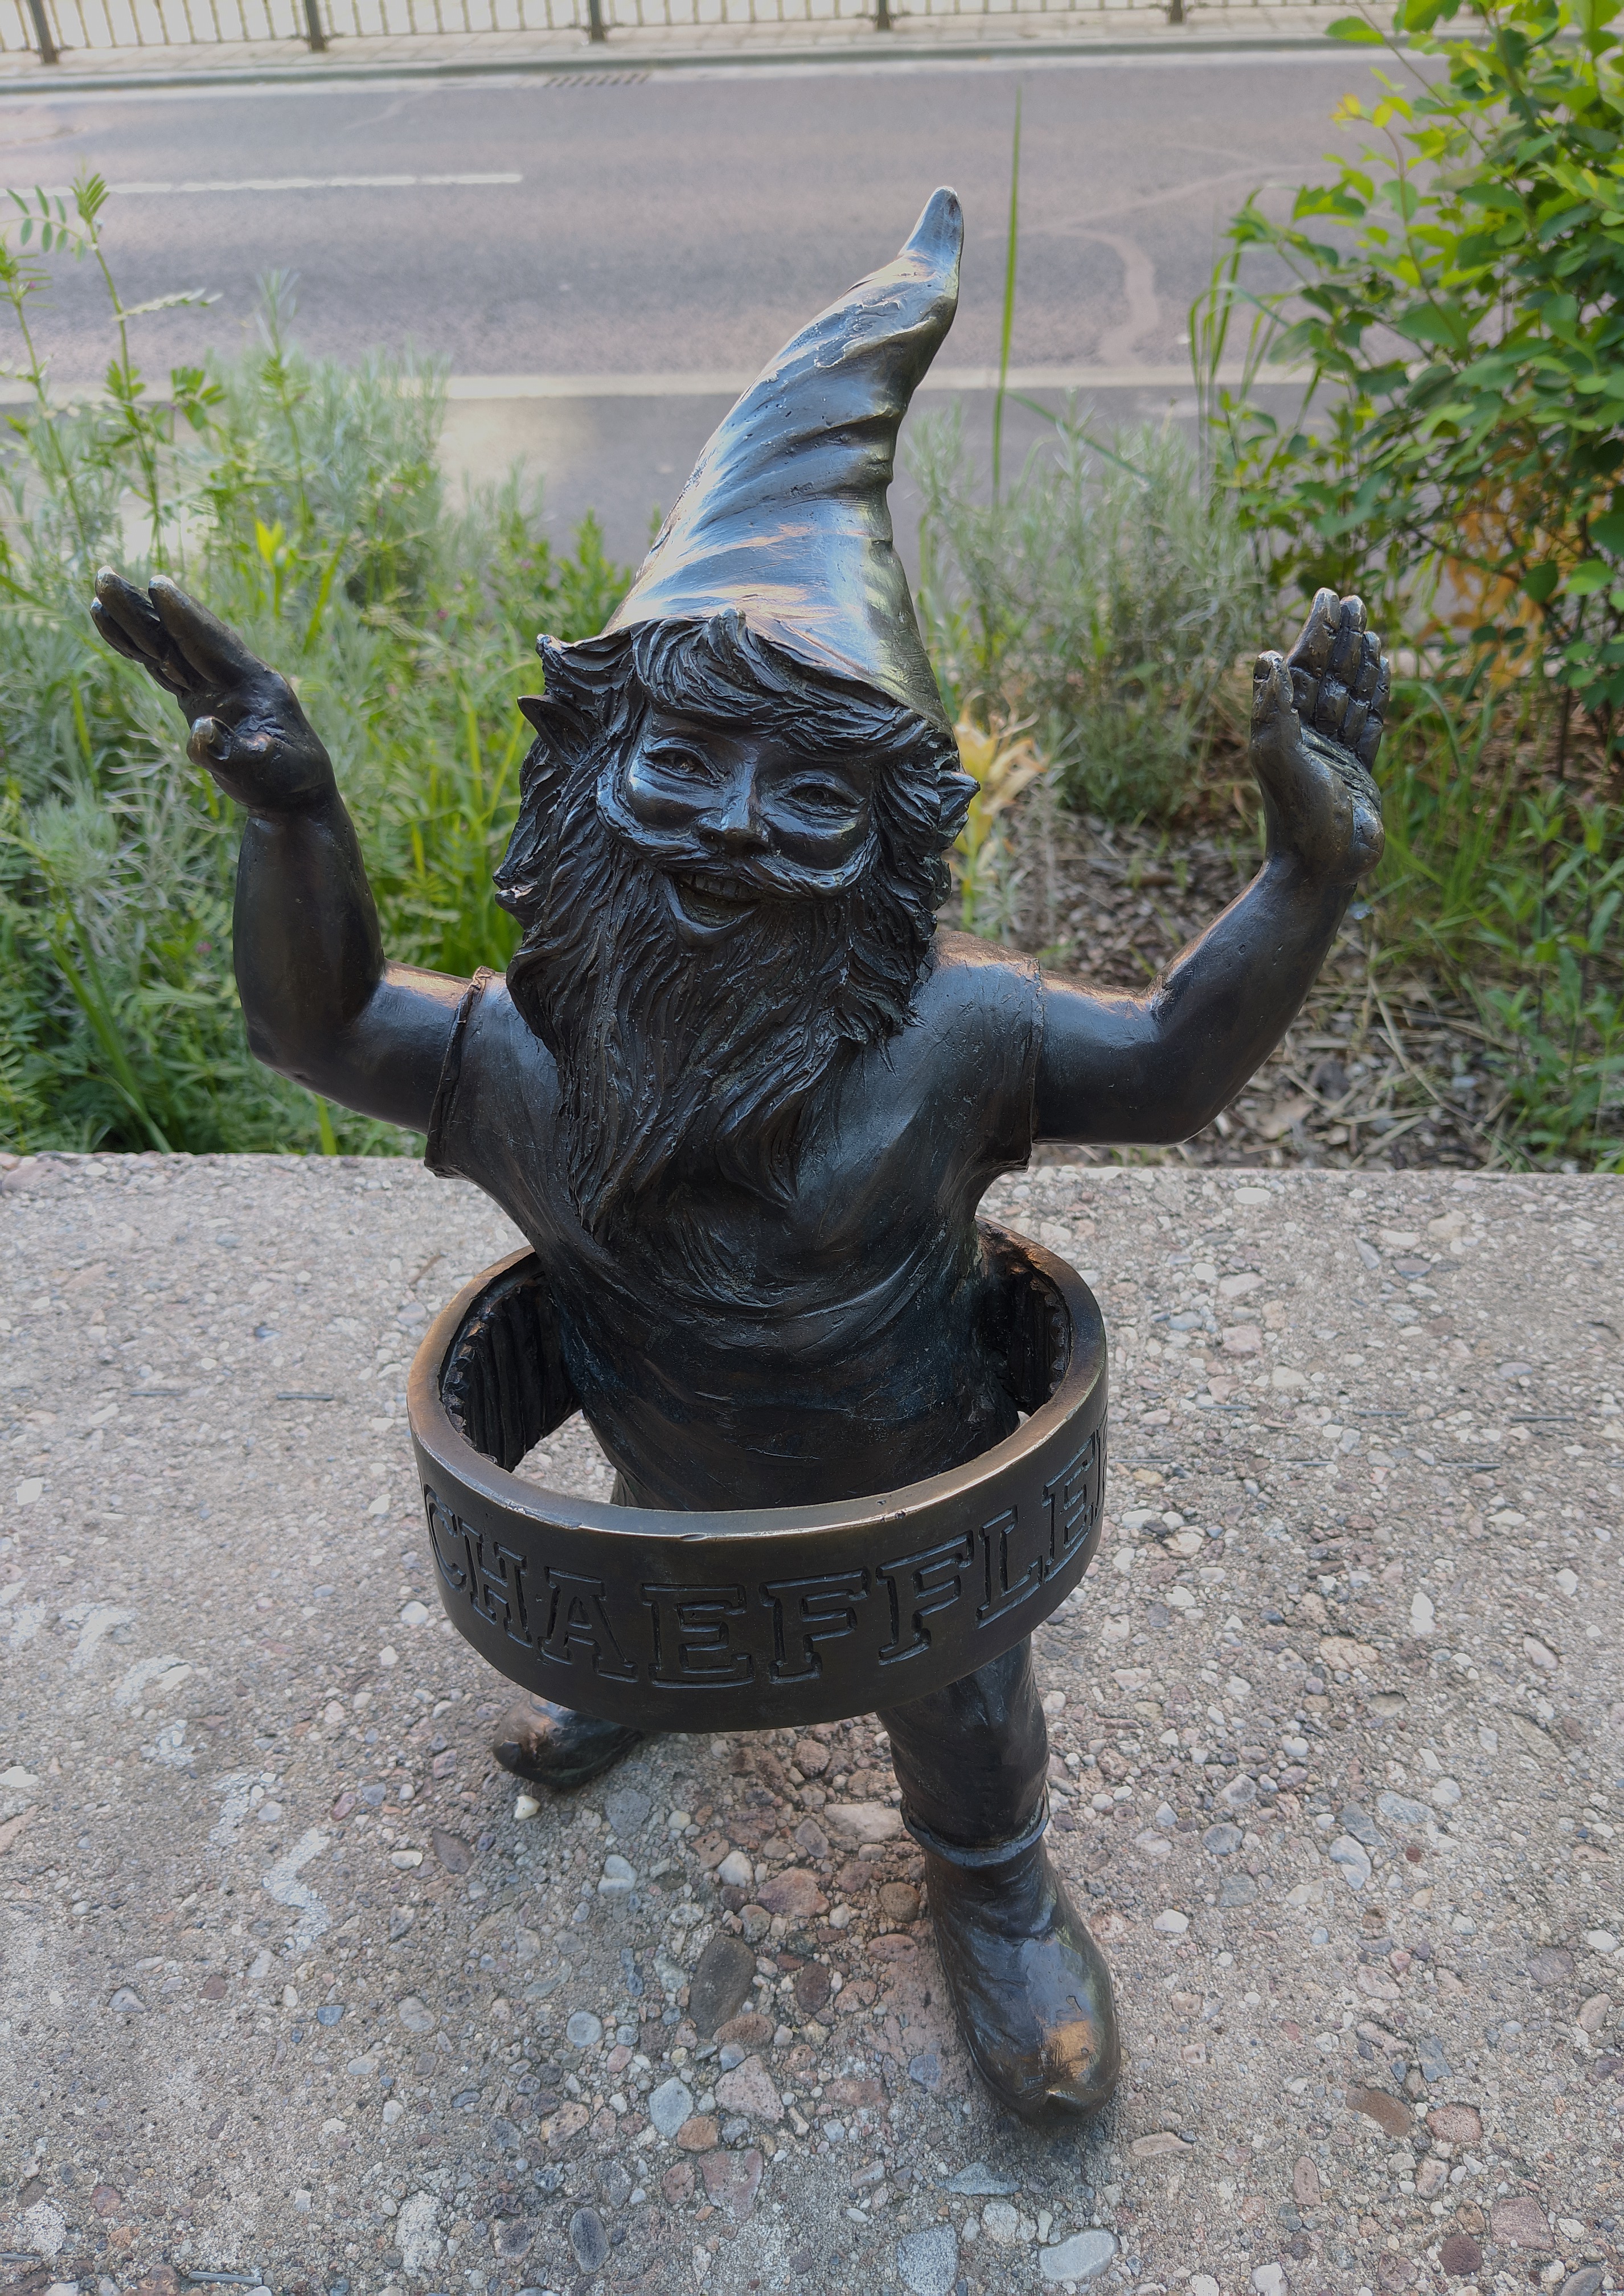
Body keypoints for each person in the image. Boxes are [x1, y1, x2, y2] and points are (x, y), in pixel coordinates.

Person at [91, 187, 1387, 2127]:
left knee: (959, 1699)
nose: (730, 831)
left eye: (810, 796)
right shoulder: (521, 1055)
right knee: (651, 1560)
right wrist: (294, 818)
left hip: (914, 1495)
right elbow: (320, 1028)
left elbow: (1176, 1066)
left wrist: (1306, 874)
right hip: (653, 1463)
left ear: (892, 840)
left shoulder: (962, 1039)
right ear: (588, 780)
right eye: (682, 767)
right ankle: (649, 1670)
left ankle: (994, 1887)